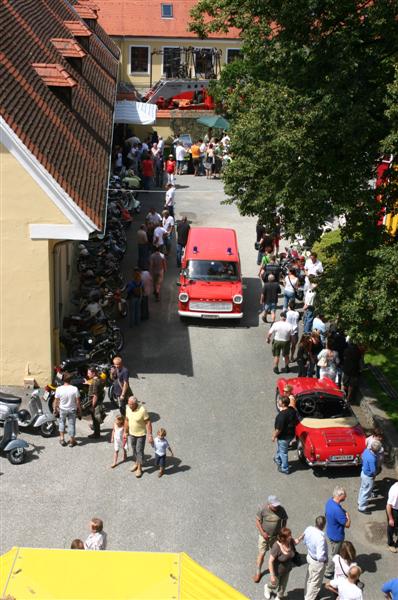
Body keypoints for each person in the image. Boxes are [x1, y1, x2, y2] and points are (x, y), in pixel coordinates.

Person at [253, 496, 288, 583]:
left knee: (275, 555)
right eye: (274, 505)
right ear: (269, 504)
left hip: (276, 537)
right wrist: (263, 533)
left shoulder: (281, 510)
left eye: (277, 505)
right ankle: (258, 573)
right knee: (261, 554)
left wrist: (282, 531)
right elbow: (257, 521)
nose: (276, 507)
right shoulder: (263, 510)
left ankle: (275, 572)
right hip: (264, 537)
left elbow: (284, 520)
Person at [295, 516, 328, 600]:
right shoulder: (321, 538)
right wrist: (325, 560)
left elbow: (303, 535)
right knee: (315, 583)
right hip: (317, 563)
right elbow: (320, 557)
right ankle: (309, 598)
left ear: (315, 523)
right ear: (324, 525)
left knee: (309, 578)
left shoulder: (309, 529)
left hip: (310, 557)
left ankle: (307, 594)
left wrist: (298, 539)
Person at [123, 396, 153, 478]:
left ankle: (139, 468)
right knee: (134, 449)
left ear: (135, 404)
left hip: (141, 434)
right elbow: (126, 420)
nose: (129, 406)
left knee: (139, 450)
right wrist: (125, 431)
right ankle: (136, 463)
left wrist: (150, 435)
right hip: (131, 433)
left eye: (131, 404)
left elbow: (148, 422)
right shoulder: (128, 408)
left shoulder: (142, 410)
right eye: (128, 404)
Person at [324, 486, 351, 579]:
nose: (346, 497)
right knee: (334, 554)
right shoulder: (338, 510)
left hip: (330, 531)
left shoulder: (330, 502)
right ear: (339, 496)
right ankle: (328, 571)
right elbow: (347, 525)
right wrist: (348, 516)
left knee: (333, 550)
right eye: (344, 496)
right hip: (337, 536)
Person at [263, 528, 297, 600]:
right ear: (283, 538)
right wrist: (272, 576)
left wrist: (302, 536)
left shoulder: (290, 542)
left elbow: (295, 542)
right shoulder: (276, 547)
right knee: (274, 584)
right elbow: (270, 561)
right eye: (289, 536)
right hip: (277, 571)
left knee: (282, 587)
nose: (290, 536)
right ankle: (267, 587)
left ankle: (278, 597)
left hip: (287, 570)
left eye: (290, 534)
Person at [53, 372, 81, 448]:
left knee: (62, 423)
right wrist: (80, 411)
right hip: (72, 410)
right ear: (71, 380)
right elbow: (78, 402)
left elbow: (56, 401)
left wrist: (55, 409)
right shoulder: (75, 389)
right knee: (71, 425)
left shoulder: (59, 389)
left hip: (62, 409)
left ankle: (62, 439)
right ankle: (72, 441)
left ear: (63, 380)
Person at [272, 396, 298, 474]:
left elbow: (278, 429)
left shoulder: (281, 416)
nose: (278, 402)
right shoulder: (292, 410)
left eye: (279, 401)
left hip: (284, 437)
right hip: (291, 434)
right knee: (281, 448)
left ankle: (285, 468)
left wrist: (274, 436)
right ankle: (277, 458)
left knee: (284, 452)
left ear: (283, 404)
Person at [357, 440, 382, 513]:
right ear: (377, 450)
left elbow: (362, 456)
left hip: (363, 473)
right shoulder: (372, 458)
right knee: (366, 492)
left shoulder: (366, 450)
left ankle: (360, 501)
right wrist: (374, 475)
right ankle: (362, 507)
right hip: (368, 477)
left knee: (362, 488)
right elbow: (373, 470)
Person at [86, 366, 105, 439]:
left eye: (89, 373)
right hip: (99, 400)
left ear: (93, 373)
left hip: (95, 402)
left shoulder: (95, 382)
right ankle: (96, 429)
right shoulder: (99, 379)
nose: (88, 374)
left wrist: (92, 406)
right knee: (96, 417)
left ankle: (96, 434)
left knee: (95, 417)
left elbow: (95, 396)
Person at [386, 481, 398, 552]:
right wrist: (391, 518)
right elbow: (388, 505)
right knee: (391, 527)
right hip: (394, 511)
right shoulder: (395, 491)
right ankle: (390, 543)